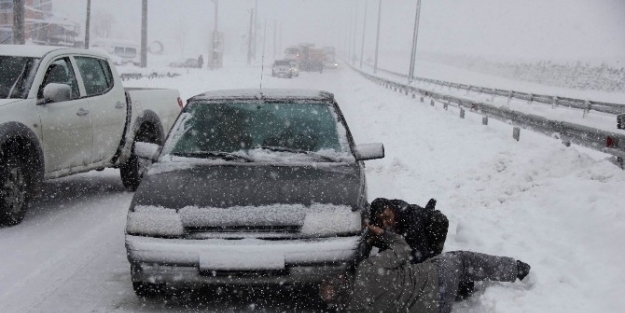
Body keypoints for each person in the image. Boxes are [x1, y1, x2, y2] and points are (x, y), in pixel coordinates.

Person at [320, 224, 531, 313]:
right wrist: (383, 234)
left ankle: (465, 290)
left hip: (434, 308)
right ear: (341, 278)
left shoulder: (355, 310)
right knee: (462, 260)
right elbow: (403, 249)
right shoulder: (368, 268)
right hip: (437, 277)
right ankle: (516, 269)